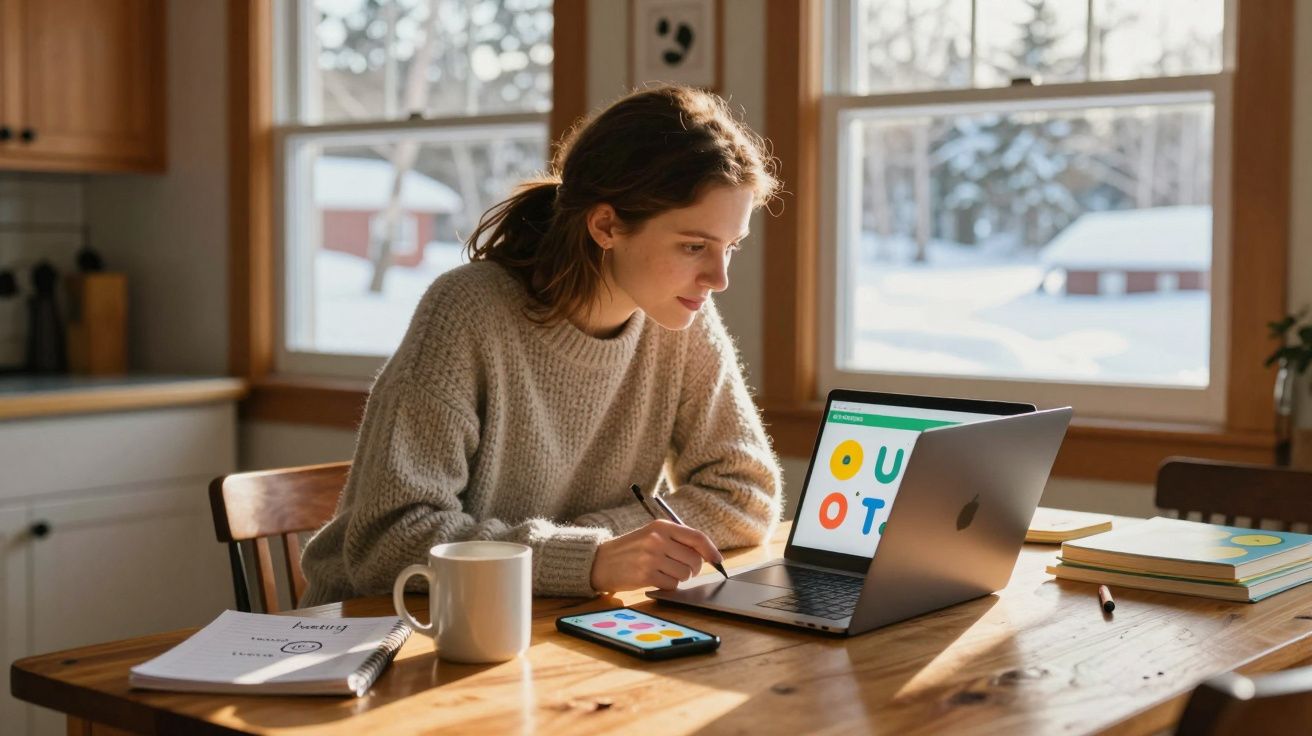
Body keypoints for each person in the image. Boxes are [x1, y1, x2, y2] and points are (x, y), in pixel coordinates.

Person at [300, 85, 783, 605]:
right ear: (606, 225)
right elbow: (389, 545)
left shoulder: (682, 322)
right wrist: (591, 557)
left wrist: (599, 546)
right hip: (379, 630)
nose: (719, 277)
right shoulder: (467, 312)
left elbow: (745, 494)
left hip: (550, 617)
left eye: (730, 247)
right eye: (694, 246)